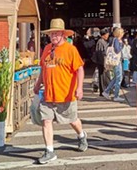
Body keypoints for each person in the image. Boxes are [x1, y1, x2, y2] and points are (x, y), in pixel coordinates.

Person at [33, 18, 87, 164]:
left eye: (56, 33)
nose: (54, 36)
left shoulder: (71, 50)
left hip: (65, 94)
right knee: (46, 120)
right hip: (48, 94)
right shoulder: (46, 49)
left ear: (64, 35)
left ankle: (81, 135)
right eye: (51, 34)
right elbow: (43, 69)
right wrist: (38, 84)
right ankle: (49, 151)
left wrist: (79, 88)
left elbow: (80, 69)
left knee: (72, 120)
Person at [103, 27, 125, 102]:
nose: (123, 34)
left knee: (116, 77)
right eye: (122, 33)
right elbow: (117, 50)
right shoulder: (116, 40)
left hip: (114, 61)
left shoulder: (112, 40)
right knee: (119, 77)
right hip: (116, 61)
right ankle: (116, 95)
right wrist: (121, 44)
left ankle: (107, 91)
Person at [94, 28, 110, 97]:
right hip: (102, 62)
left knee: (106, 76)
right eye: (107, 35)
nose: (108, 36)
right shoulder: (100, 42)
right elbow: (100, 53)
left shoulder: (103, 41)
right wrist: (103, 63)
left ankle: (106, 90)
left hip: (104, 61)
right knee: (102, 77)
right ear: (103, 35)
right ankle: (103, 91)